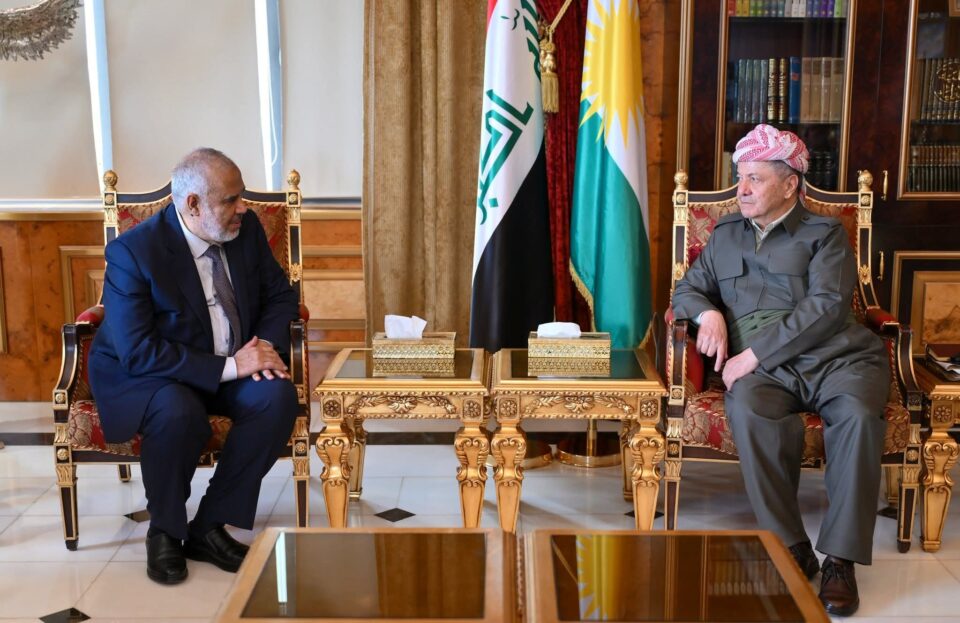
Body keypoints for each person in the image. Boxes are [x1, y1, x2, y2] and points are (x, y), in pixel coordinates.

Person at [671, 124, 889, 616]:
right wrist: (707, 314)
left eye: (755, 179)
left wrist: (753, 355)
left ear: (790, 185)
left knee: (857, 417)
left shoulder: (825, 234)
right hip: (770, 375)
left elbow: (827, 306)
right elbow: (687, 289)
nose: (742, 189)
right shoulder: (725, 236)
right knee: (749, 408)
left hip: (838, 359)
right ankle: (791, 545)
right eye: (740, 177)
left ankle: (840, 561)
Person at [89, 148, 299, 585]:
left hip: (231, 359)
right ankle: (165, 531)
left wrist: (262, 347)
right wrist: (231, 366)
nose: (243, 208)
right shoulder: (134, 252)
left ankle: (209, 525)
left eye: (242, 196)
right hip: (153, 372)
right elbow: (138, 351)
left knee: (276, 398)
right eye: (231, 200)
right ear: (193, 204)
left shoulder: (246, 230)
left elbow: (281, 296)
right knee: (177, 411)